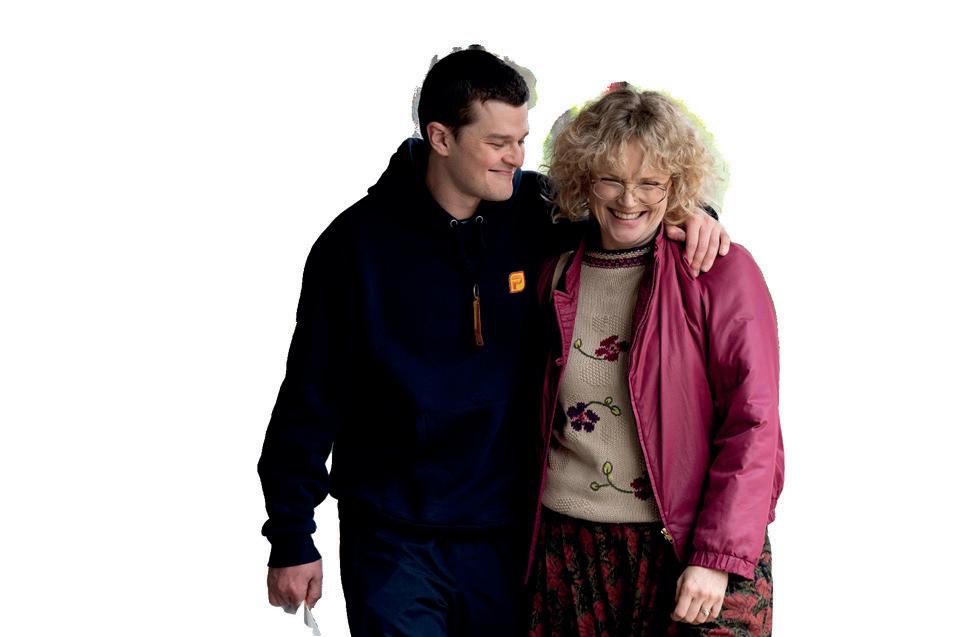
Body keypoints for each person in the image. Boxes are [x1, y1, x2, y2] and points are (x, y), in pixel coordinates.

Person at [257, 48, 730, 636]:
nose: (517, 157)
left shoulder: (535, 212)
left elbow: (629, 208)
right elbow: (308, 400)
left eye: (522, 140)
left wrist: (697, 212)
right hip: (392, 537)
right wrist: (291, 535)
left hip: (509, 535)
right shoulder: (353, 248)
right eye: (498, 142)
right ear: (441, 137)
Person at [527, 86, 782, 636]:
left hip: (690, 546)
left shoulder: (718, 270)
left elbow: (754, 424)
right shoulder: (554, 274)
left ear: (676, 185)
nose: (629, 200)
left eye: (650, 183)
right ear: (584, 180)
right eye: (611, 180)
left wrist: (717, 557)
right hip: (570, 551)